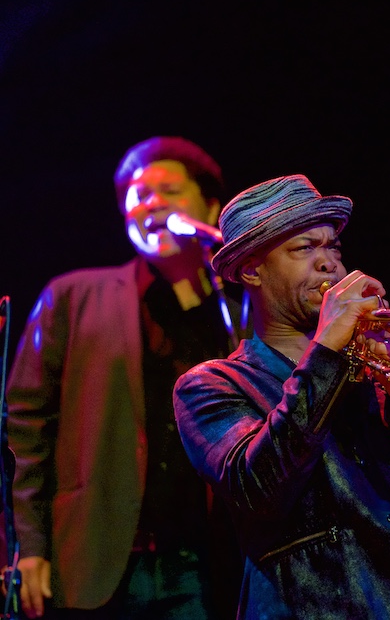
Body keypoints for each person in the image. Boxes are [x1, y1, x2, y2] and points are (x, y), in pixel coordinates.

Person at [171, 173, 390, 619]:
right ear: (251, 269)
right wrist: (327, 353)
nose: (330, 265)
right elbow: (261, 490)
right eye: (304, 248)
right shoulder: (212, 385)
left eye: (332, 246)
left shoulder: (385, 369)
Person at [3, 136, 249, 618]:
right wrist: (26, 546)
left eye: (168, 190)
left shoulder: (237, 314)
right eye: (138, 195)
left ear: (210, 207)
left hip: (207, 565)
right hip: (95, 559)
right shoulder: (73, 296)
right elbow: (25, 430)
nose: (150, 203)